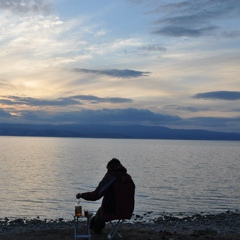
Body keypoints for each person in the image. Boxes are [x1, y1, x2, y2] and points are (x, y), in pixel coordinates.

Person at [76, 158, 135, 234]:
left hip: (113, 211)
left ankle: (95, 229)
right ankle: (92, 226)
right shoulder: (128, 178)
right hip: (127, 211)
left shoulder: (110, 177)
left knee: (100, 214)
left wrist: (82, 195)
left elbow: (96, 195)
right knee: (100, 212)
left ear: (109, 167)